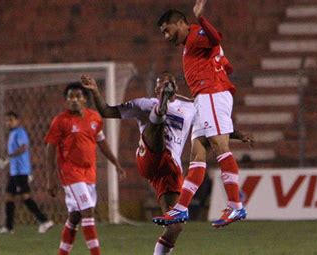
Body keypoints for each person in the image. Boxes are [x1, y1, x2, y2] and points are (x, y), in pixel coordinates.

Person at [81, 72, 254, 254]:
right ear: (156, 89)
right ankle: (160, 112)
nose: (165, 86)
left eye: (169, 84)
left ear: (175, 88)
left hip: (169, 168)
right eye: (161, 84)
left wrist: (238, 135)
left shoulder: (191, 108)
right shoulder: (144, 104)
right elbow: (107, 111)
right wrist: (95, 91)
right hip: (149, 157)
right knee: (156, 124)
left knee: (176, 226)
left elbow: (212, 127)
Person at [153, 0, 248, 228]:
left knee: (219, 147)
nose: (167, 36)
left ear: (181, 23)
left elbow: (216, 39)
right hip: (204, 97)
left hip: (212, 93)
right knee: (197, 155)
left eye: (168, 30)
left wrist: (201, 17)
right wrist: (223, 65)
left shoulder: (196, 34)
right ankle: (181, 208)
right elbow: (221, 56)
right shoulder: (190, 43)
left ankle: (236, 206)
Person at [45, 82, 125, 255]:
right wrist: (50, 178)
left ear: (85, 100)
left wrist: (116, 164)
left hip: (89, 172)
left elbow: (101, 143)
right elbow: (50, 149)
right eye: (70, 97)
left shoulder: (94, 118)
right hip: (70, 172)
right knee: (87, 210)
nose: (74, 100)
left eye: (78, 96)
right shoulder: (60, 121)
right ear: (66, 101)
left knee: (75, 217)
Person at [0, 111, 54, 234]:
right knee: (8, 196)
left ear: (17, 120)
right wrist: (8, 160)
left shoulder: (20, 132)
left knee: (25, 197)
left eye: (11, 120)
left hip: (21, 171)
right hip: (14, 172)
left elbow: (24, 147)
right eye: (7, 120)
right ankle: (9, 227)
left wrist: (8, 158)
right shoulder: (12, 134)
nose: (9, 123)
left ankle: (44, 221)